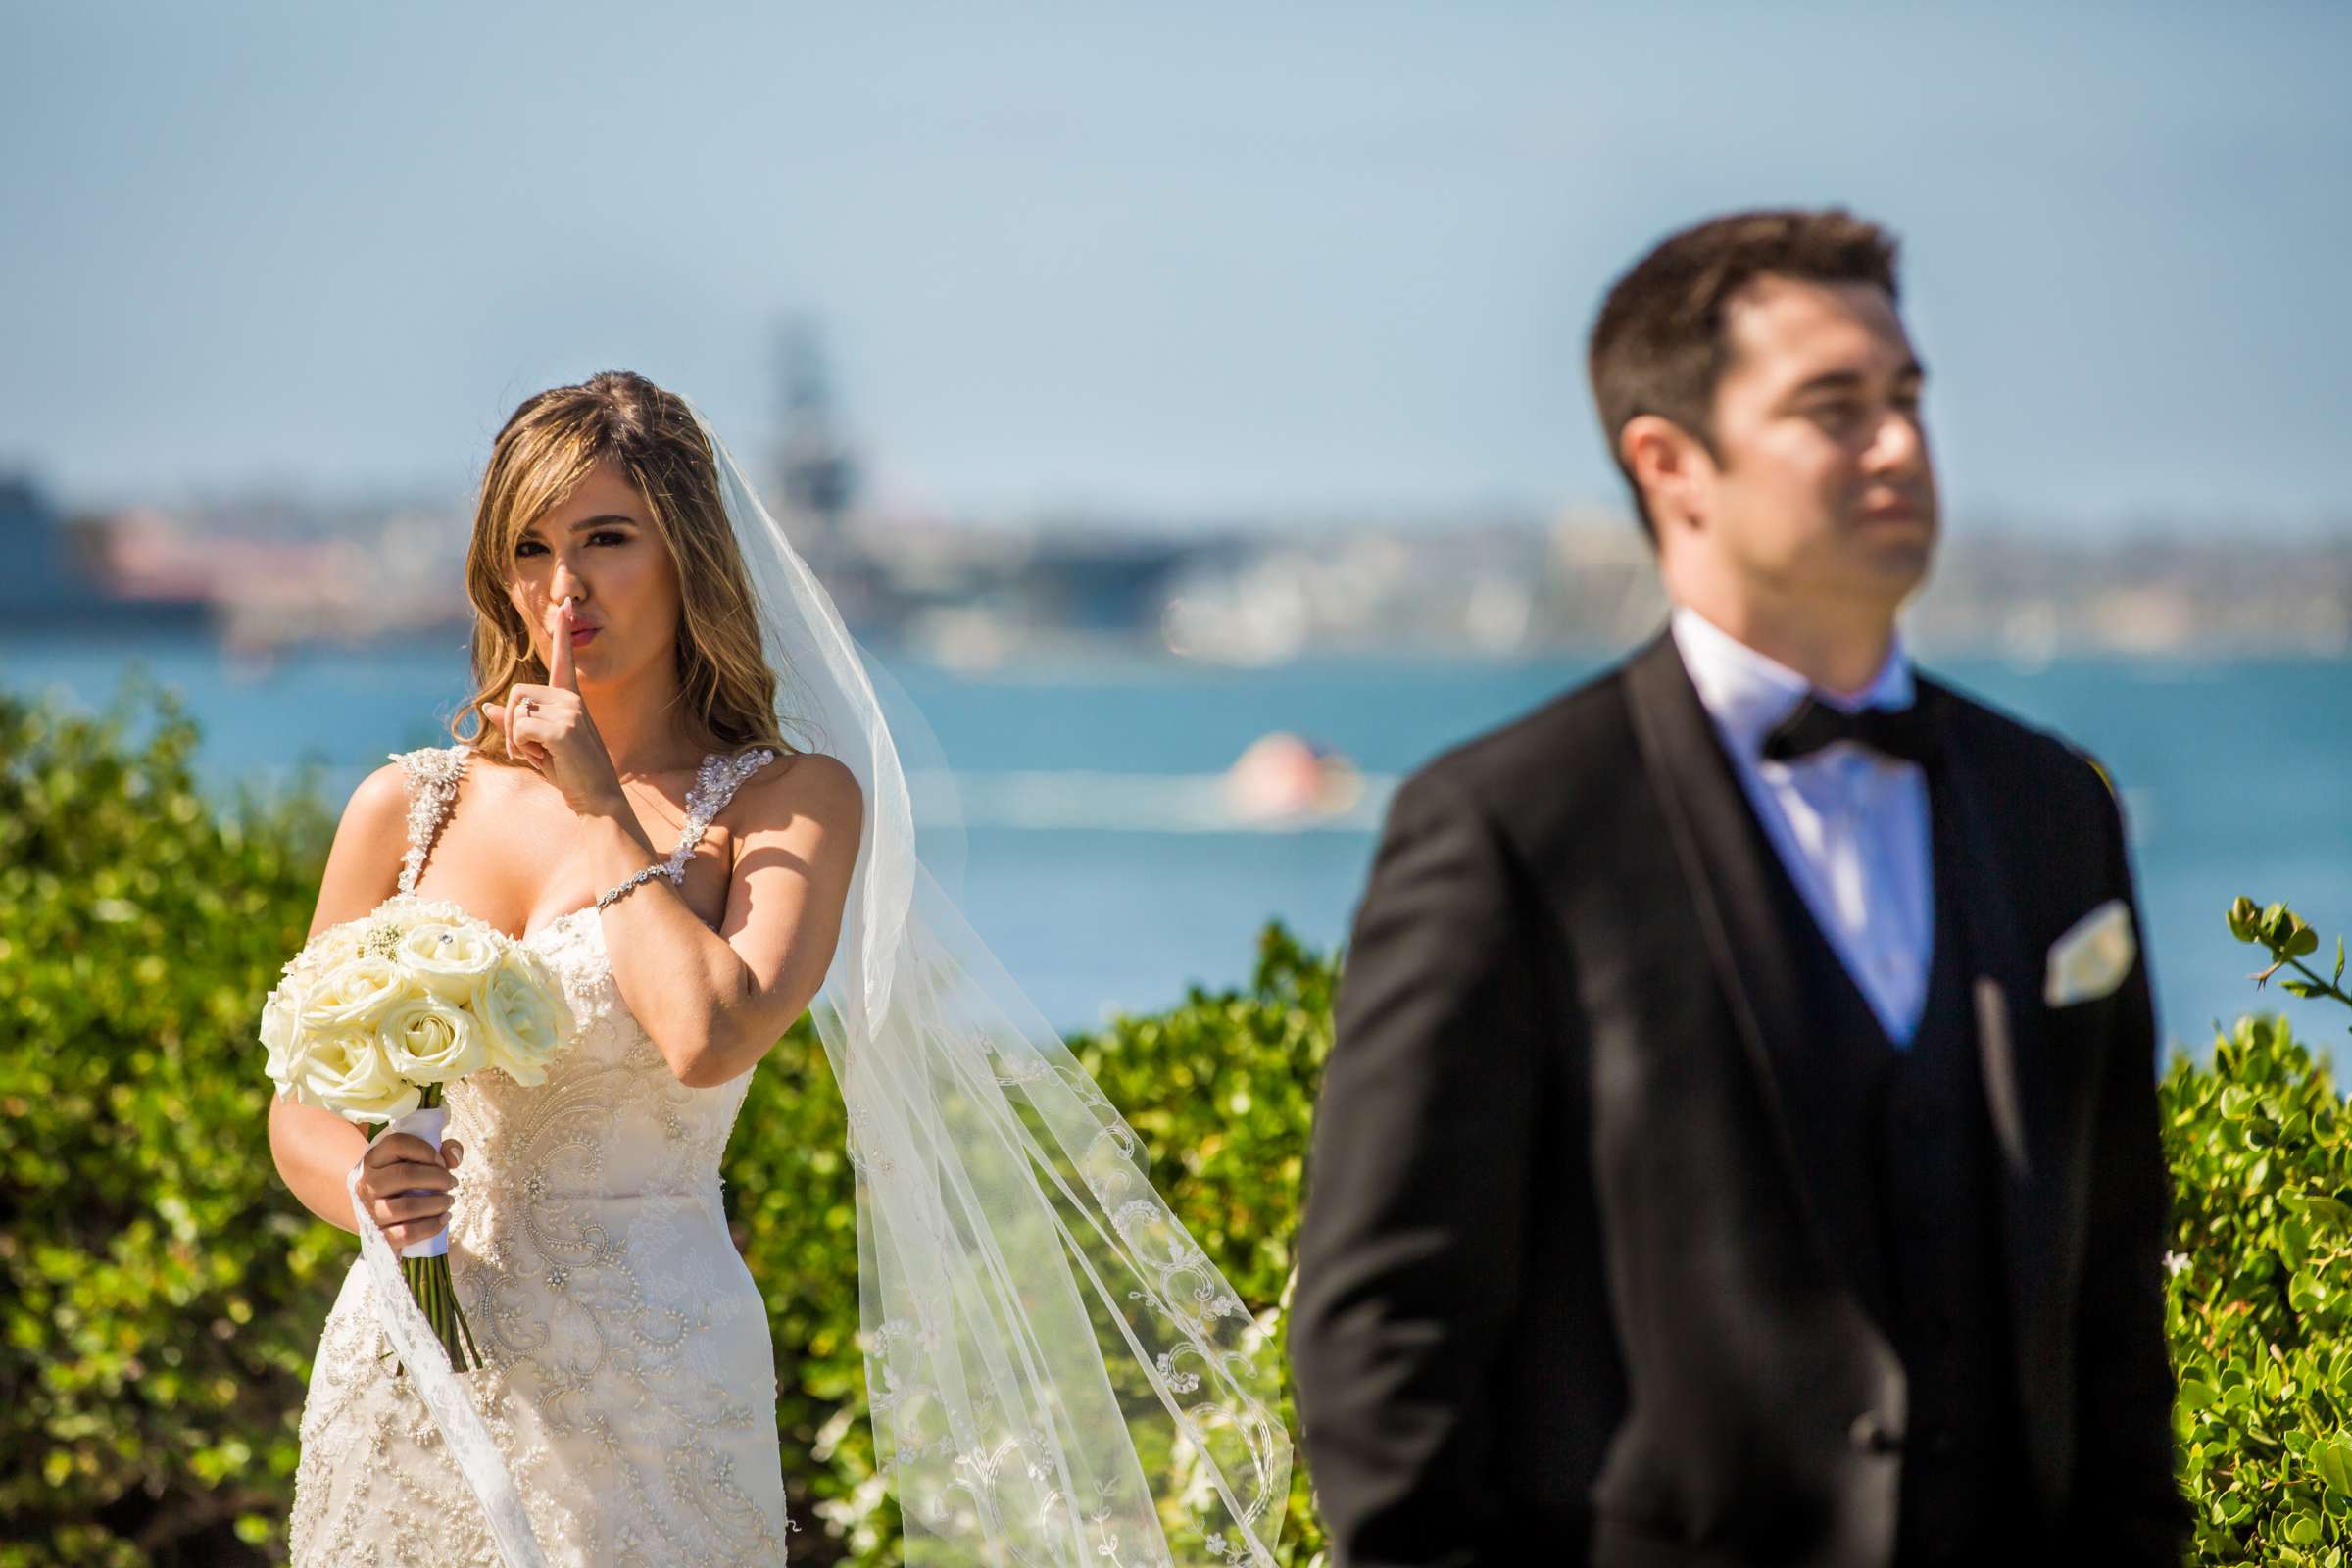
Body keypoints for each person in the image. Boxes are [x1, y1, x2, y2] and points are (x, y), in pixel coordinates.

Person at [1288, 210, 2187, 1566]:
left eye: (1907, 399)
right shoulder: (1505, 827)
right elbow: (1381, 1333)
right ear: (1671, 465)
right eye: (1834, 409)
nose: (1899, 446)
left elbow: (2115, 1291)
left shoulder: (2052, 809)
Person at [270, 372, 1290, 1566]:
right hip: (412, 1368)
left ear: (689, 555)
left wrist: (603, 800)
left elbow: (712, 1034)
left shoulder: (788, 804)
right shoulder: (406, 805)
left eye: (608, 539)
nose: (565, 585)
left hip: (651, 1381)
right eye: (531, 547)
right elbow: (300, 1101)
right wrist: (363, 1186)